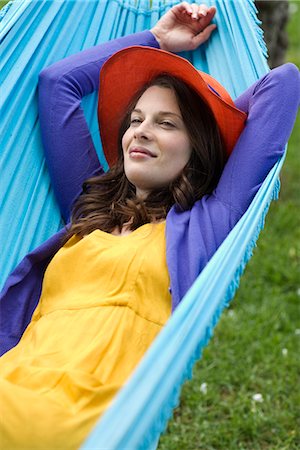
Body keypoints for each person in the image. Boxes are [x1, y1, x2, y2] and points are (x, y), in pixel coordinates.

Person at [0, 3, 299, 449]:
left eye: (166, 124)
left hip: (91, 418)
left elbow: (285, 82)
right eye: (136, 120)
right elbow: (57, 84)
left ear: (195, 147)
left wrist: (213, 127)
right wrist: (156, 40)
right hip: (13, 382)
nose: (140, 131)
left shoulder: (204, 228)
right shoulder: (86, 211)